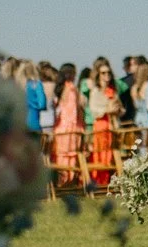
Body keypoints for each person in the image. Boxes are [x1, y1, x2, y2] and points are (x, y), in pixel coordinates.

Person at [86, 57, 121, 186]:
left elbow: (120, 108)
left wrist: (117, 109)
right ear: (98, 75)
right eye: (103, 73)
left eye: (108, 72)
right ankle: (99, 180)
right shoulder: (96, 91)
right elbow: (94, 109)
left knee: (110, 154)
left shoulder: (113, 90)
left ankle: (108, 180)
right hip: (101, 124)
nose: (107, 75)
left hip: (112, 125)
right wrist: (107, 109)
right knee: (100, 153)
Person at [52, 61, 85, 178]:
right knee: (70, 156)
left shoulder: (58, 88)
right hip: (71, 126)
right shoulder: (71, 88)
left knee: (60, 155)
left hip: (60, 127)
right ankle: (68, 179)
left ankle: (61, 179)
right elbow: (73, 111)